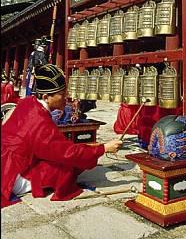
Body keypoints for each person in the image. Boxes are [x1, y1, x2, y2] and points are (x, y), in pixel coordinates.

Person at [1, 64, 122, 208]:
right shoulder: (40, 122)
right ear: (46, 97)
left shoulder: (28, 102)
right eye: (62, 94)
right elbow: (66, 153)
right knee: (66, 168)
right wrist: (104, 149)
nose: (66, 97)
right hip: (12, 174)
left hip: (6, 161)